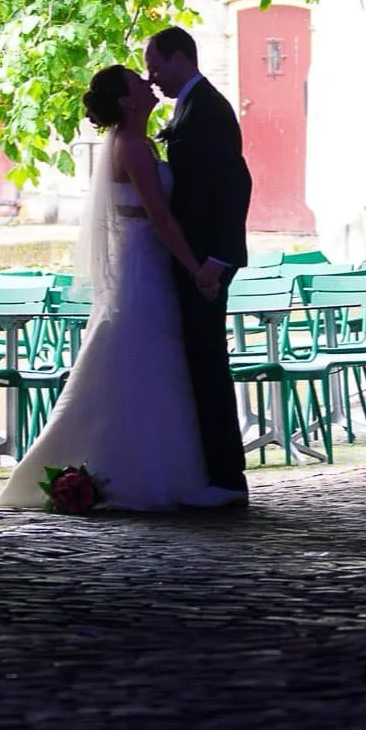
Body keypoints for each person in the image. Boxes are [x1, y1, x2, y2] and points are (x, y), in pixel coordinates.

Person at [0, 64, 222, 512]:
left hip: (144, 260)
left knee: (150, 361)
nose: (149, 84)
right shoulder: (132, 146)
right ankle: (134, 472)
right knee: (140, 356)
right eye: (139, 83)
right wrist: (196, 266)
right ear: (125, 100)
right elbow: (159, 215)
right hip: (141, 263)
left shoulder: (136, 142)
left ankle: (160, 468)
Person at [144, 25, 252, 506]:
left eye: (156, 66)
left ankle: (227, 478)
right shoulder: (190, 107)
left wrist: (214, 260)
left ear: (179, 58)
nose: (153, 78)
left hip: (205, 262)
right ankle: (212, 470)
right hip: (193, 260)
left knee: (209, 364)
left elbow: (233, 186)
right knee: (198, 362)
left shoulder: (207, 110)